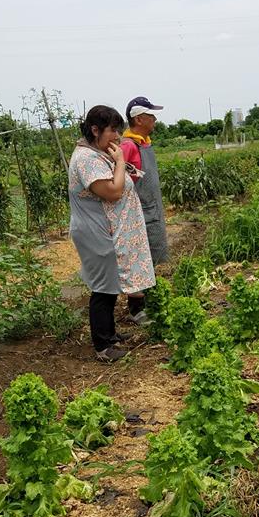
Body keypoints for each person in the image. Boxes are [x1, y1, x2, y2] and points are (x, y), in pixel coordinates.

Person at [68, 105, 156, 363]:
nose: (117, 136)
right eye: (112, 130)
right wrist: (119, 161)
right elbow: (113, 191)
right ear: (95, 130)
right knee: (103, 289)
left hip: (104, 229)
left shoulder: (96, 152)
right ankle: (103, 346)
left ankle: (111, 335)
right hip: (97, 232)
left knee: (110, 284)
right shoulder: (86, 160)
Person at [120, 96, 169, 325]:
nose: (154, 120)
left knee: (149, 258)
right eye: (150, 116)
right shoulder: (128, 146)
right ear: (139, 119)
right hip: (138, 212)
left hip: (151, 209)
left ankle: (149, 301)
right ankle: (136, 309)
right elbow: (119, 181)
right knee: (138, 258)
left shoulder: (144, 142)